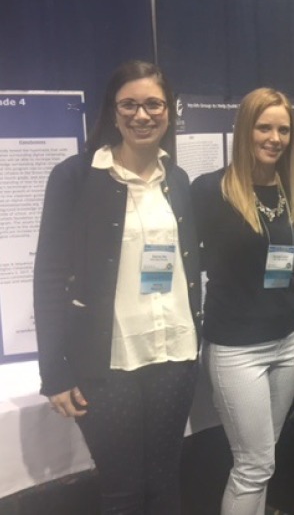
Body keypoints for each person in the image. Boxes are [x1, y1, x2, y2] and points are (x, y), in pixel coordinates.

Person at [34, 60, 201, 514]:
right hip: (108, 365)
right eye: (129, 104)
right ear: (112, 110)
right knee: (123, 489)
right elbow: (48, 276)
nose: (141, 115)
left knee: (165, 478)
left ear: (169, 111)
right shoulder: (75, 177)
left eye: (153, 104)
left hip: (175, 354)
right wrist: (55, 372)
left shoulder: (178, 180)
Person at [191, 88, 294, 515]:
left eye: (283, 129)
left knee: (264, 456)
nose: (275, 137)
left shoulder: (292, 189)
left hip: (286, 339)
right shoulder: (209, 190)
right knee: (253, 464)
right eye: (264, 127)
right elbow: (186, 261)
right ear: (244, 129)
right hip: (237, 348)